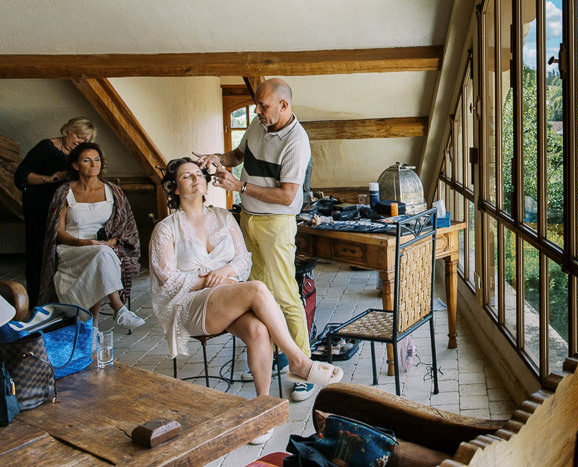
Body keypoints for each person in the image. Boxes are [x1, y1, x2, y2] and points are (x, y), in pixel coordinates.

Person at [149, 158, 342, 443]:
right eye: (186, 176)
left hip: (224, 297)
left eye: (198, 174)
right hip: (188, 304)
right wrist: (206, 280)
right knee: (256, 289)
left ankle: (262, 410)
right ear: (175, 188)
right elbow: (167, 277)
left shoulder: (223, 218)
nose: (195, 179)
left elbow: (243, 259)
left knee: (258, 330)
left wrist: (225, 272)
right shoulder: (166, 229)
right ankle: (299, 362)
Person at [194, 78, 315, 401]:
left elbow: (288, 195)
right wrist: (216, 158)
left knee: (286, 292)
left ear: (283, 106)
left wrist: (240, 188)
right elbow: (237, 154)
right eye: (257, 105)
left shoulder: (297, 142)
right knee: (259, 290)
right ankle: (274, 354)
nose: (257, 111)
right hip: (248, 219)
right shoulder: (258, 124)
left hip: (276, 223)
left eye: (263, 106)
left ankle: (304, 368)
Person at [38, 142, 145, 329]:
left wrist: (113, 241)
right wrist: (83, 242)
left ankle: (93, 328)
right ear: (75, 165)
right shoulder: (64, 192)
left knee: (100, 255)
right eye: (87, 160)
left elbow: (125, 227)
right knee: (100, 255)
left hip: (103, 247)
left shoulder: (113, 191)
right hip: (72, 248)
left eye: (97, 160)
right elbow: (58, 233)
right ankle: (119, 309)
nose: (93, 164)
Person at [14, 117, 96, 306]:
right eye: (78, 136)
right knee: (39, 255)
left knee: (61, 255)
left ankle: (63, 300)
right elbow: (21, 176)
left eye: (85, 139)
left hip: (64, 211)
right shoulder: (46, 147)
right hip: (40, 207)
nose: (80, 141)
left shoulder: (80, 154)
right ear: (67, 130)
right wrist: (50, 178)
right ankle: (37, 303)